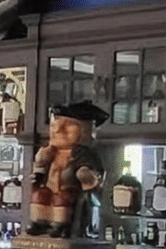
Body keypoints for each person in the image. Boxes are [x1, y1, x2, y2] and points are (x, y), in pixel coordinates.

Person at [28, 100, 107, 238]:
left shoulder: (85, 154)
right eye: (54, 125)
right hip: (50, 188)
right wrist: (39, 167)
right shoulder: (50, 152)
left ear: (85, 130)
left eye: (69, 125)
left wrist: (85, 174)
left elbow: (93, 177)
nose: (58, 130)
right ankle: (41, 223)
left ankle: (62, 226)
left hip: (70, 193)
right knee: (39, 195)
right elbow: (40, 170)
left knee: (62, 198)